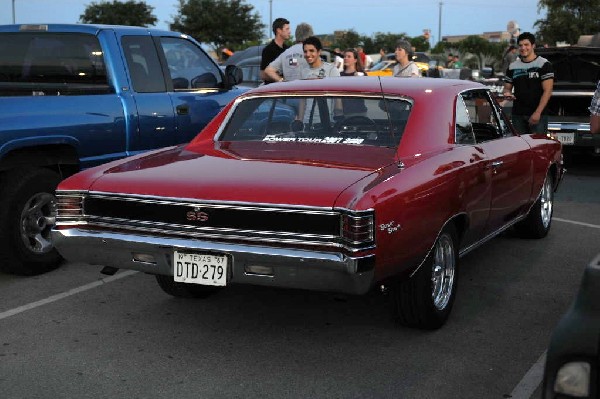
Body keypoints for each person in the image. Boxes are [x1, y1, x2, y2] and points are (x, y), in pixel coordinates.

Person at [503, 31, 554, 134]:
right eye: (520, 45)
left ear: (533, 46)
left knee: (538, 148)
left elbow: (548, 91)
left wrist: (537, 112)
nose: (523, 48)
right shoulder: (513, 66)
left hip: (538, 115)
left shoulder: (544, 64)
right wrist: (507, 94)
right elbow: (507, 88)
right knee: (520, 148)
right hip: (518, 115)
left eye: (526, 45)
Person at [260, 17, 291, 84]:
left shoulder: (288, 49)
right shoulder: (268, 50)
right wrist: (280, 79)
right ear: (279, 30)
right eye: (287, 29)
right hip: (273, 89)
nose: (289, 32)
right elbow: (263, 75)